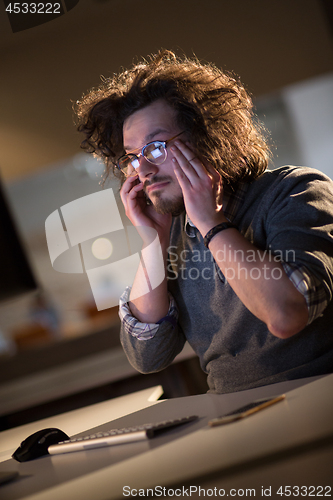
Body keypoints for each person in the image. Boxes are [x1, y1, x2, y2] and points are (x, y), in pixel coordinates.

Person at [75, 50, 333, 393]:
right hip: (232, 415)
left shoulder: (296, 191)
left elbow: (285, 316)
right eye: (133, 157)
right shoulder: (175, 231)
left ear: (209, 136)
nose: (144, 171)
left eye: (154, 148)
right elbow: (148, 356)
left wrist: (211, 223)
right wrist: (153, 242)